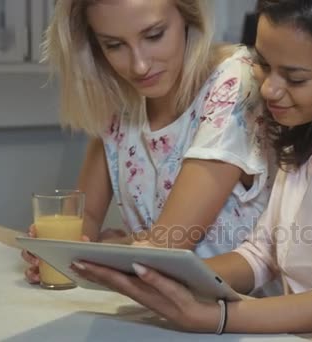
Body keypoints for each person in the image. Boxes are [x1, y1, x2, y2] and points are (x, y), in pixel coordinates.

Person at [71, 0, 312, 340]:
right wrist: (166, 280)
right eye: (263, 64)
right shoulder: (305, 125)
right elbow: (262, 253)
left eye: (295, 77)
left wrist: (219, 316)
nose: (269, 89)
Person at [22, 0, 275, 284]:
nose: (139, 66)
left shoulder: (235, 82)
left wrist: (110, 248)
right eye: (114, 45)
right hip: (157, 312)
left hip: (246, 318)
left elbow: (166, 248)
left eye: (154, 35)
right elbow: (86, 220)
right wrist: (53, 252)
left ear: (188, 16)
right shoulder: (123, 101)